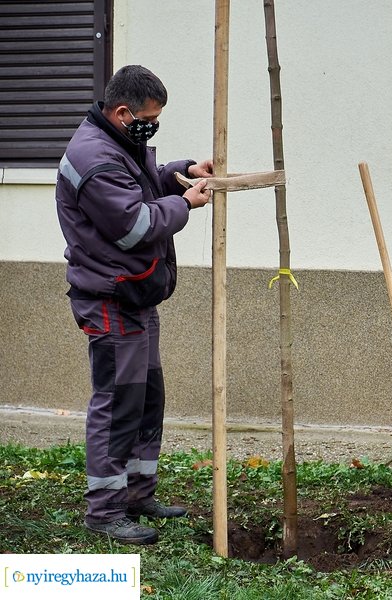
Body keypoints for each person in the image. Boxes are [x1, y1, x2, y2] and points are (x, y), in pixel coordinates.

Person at [55, 65, 213, 545]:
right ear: (123, 113)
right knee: (119, 401)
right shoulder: (94, 158)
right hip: (109, 298)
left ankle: (138, 493)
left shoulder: (119, 141)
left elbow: (142, 184)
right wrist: (185, 204)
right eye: (149, 119)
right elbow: (134, 225)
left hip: (135, 294)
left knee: (147, 396)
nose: (153, 127)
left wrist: (179, 171)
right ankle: (105, 510)